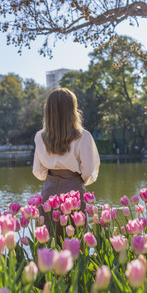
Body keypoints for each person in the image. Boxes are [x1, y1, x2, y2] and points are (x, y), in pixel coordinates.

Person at [32, 87, 100, 241]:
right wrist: (75, 181)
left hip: (49, 191)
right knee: (76, 239)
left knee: (49, 240)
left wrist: (53, 176)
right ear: (73, 110)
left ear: (48, 111)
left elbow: (38, 171)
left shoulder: (40, 137)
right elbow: (89, 171)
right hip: (74, 193)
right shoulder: (83, 136)